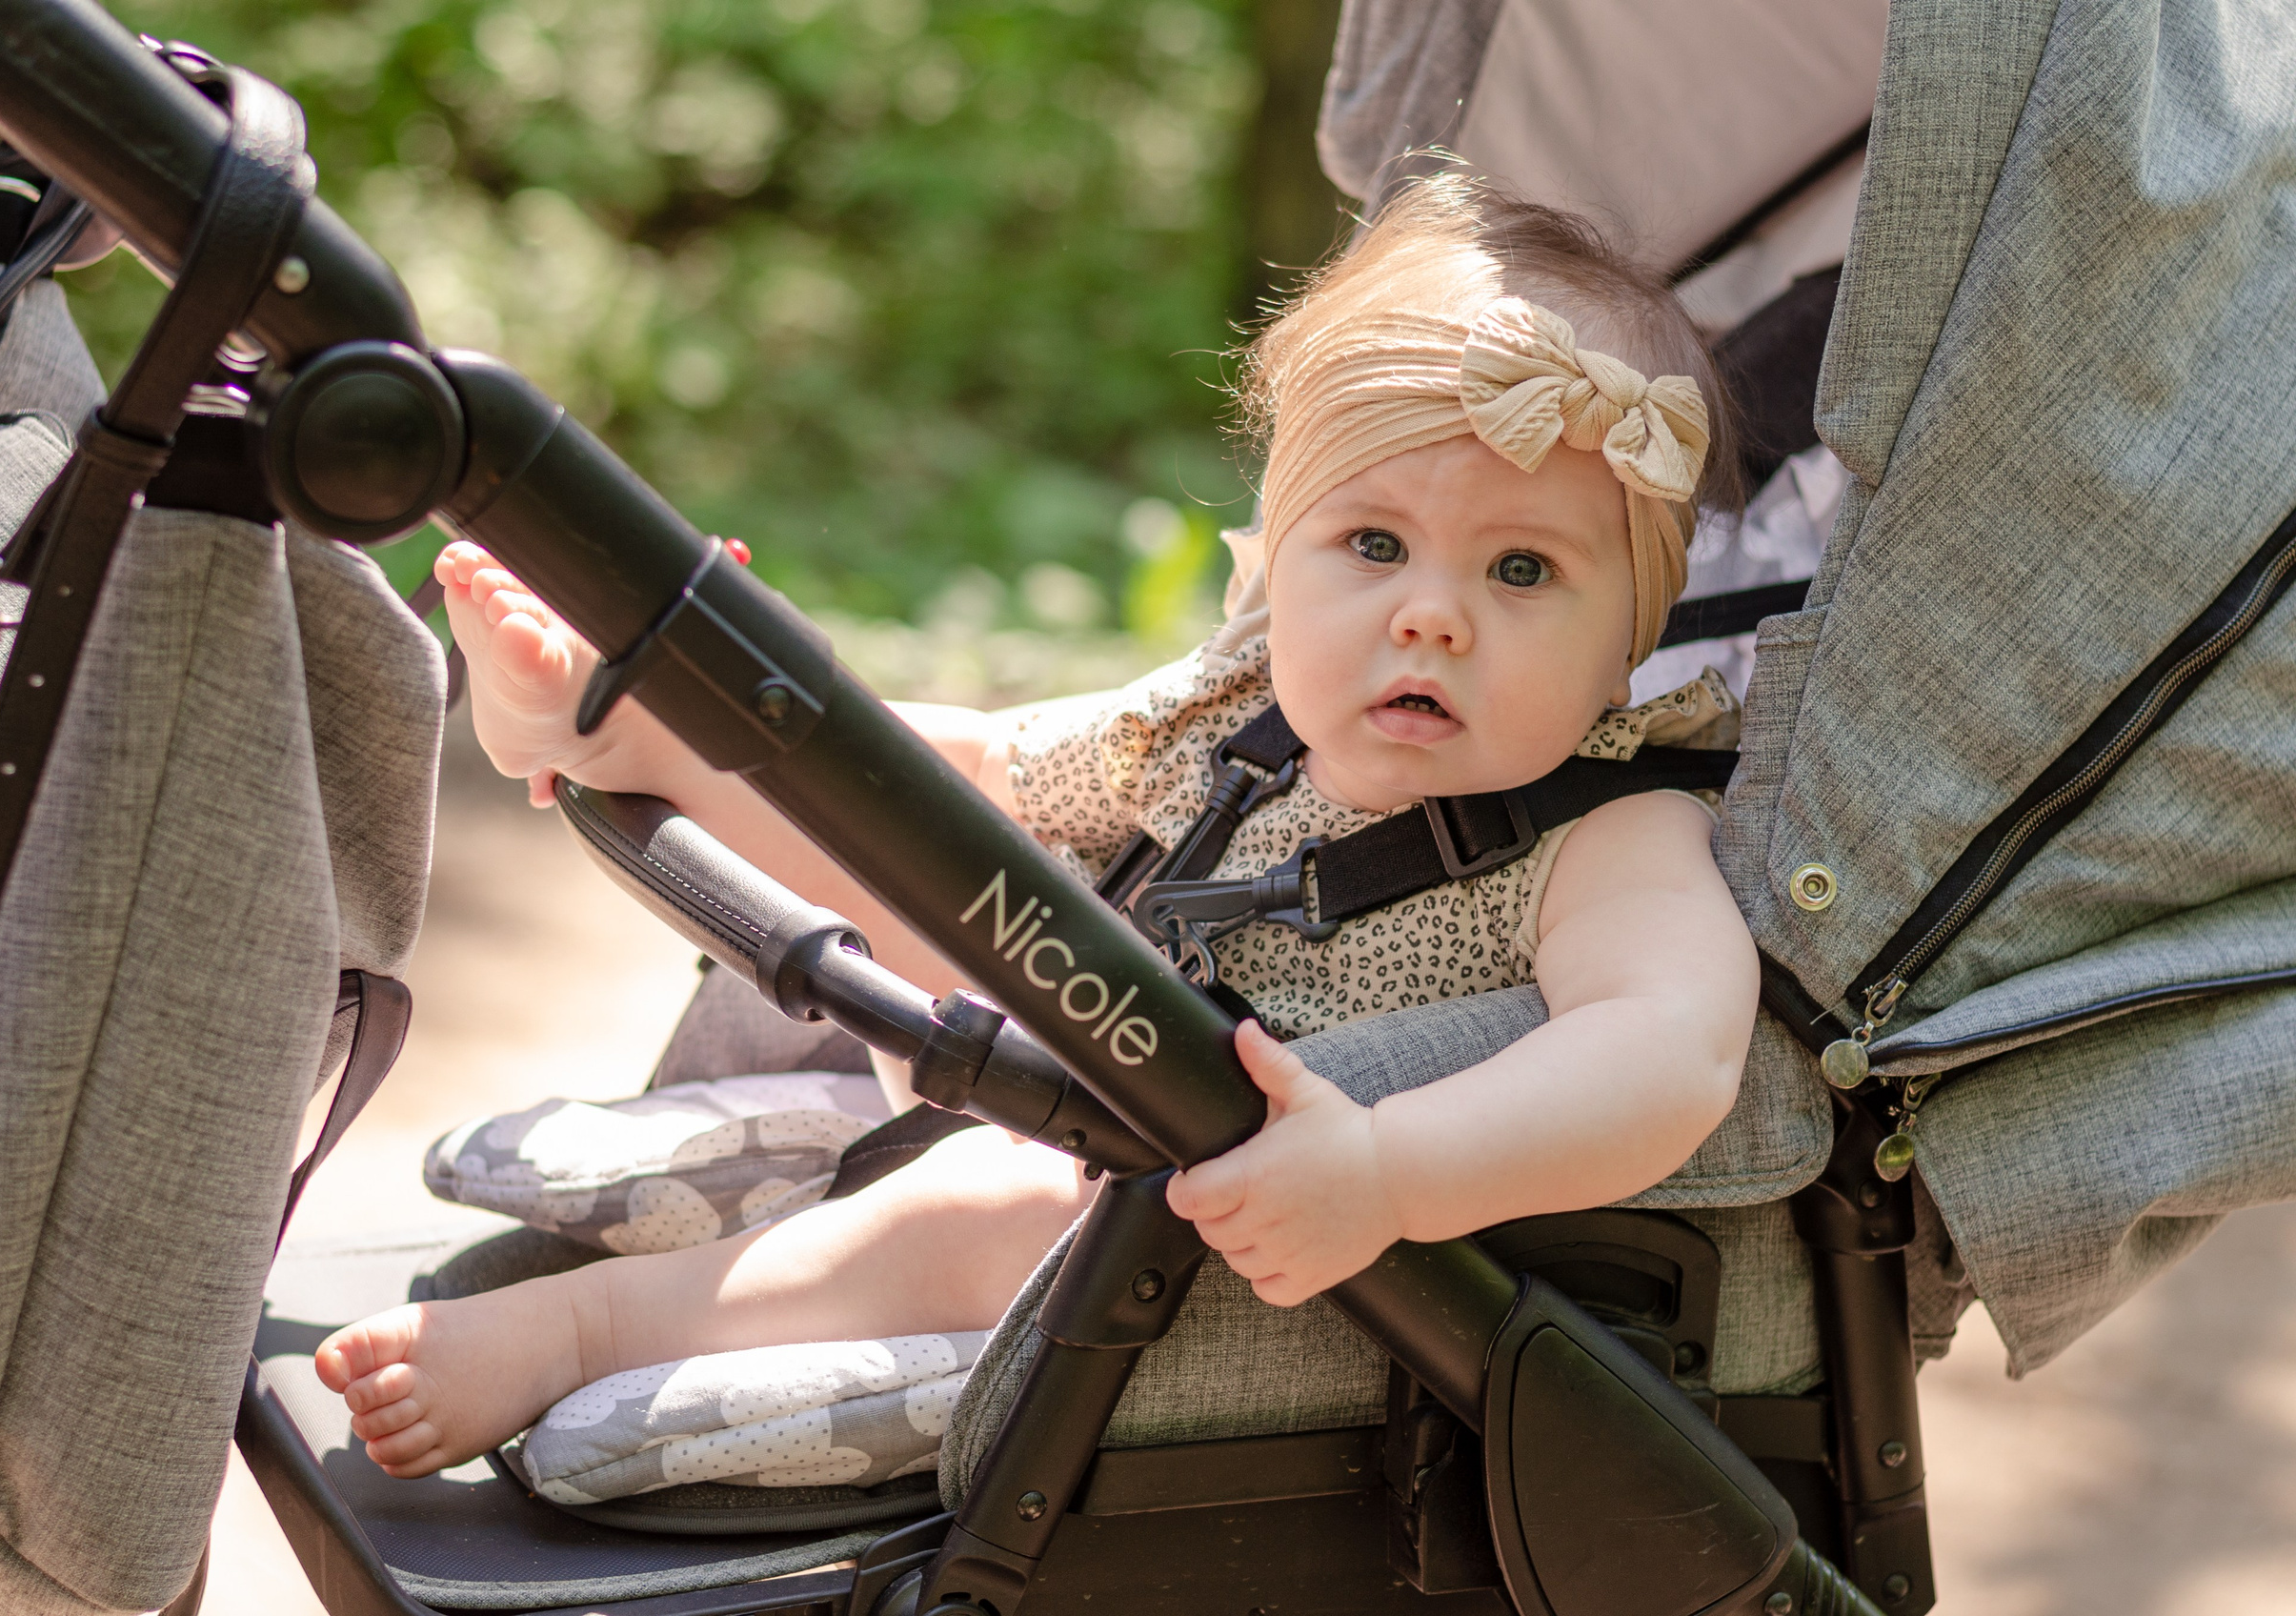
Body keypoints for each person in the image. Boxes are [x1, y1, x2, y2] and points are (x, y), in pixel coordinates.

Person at [315, 174, 1761, 1480]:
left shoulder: (1609, 829)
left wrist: (1391, 1169)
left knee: (1011, 1197)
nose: (1429, 612)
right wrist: (759, 729)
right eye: (1372, 545)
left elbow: (1672, 1054)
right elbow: (990, 777)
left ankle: (589, 1330)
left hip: (1143, 1207)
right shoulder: (1243, 710)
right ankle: (626, 729)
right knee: (923, 850)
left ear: (1635, 627)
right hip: (1023, 1037)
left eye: (1523, 569)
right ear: (1281, 540)